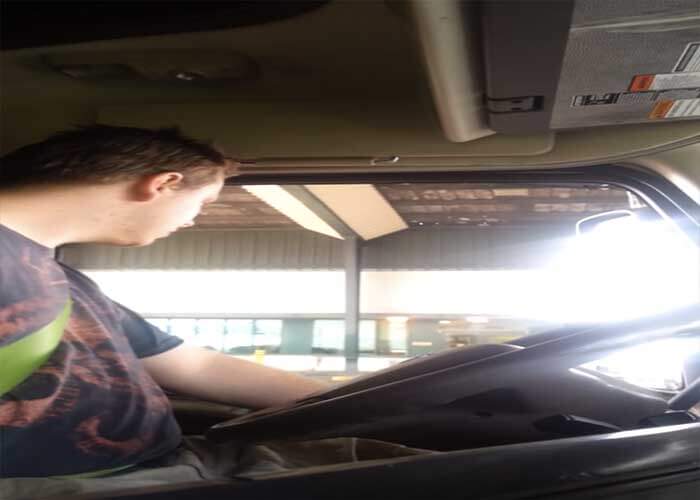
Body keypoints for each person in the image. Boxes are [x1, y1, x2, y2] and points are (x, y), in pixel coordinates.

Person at [0, 126, 431, 498]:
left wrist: (364, 401)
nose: (191, 221)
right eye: (201, 204)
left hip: (174, 464)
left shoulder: (64, 278)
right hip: (80, 485)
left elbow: (196, 366)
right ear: (163, 183)